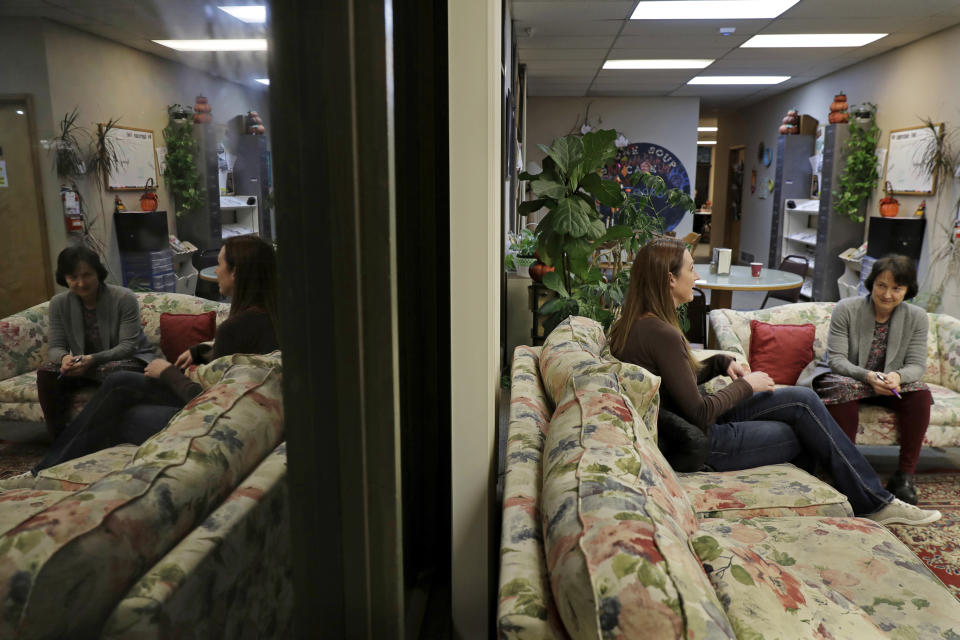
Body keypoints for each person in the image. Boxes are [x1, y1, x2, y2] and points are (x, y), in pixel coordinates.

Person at [607, 237, 939, 526]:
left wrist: (722, 362)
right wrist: (747, 385)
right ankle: (871, 501)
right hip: (700, 441)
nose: (697, 276)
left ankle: (866, 498)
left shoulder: (639, 323)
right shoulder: (662, 333)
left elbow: (676, 382)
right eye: (691, 269)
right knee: (801, 432)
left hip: (686, 426)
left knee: (803, 401)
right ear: (669, 279)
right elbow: (699, 413)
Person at [33, 236, 279, 473]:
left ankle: (48, 467)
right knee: (117, 386)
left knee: (122, 413)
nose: (216, 271)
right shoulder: (272, 317)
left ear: (236, 273)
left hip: (216, 419)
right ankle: (57, 459)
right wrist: (201, 351)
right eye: (73, 277)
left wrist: (167, 372)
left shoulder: (236, 328)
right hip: (245, 408)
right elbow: (237, 362)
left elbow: (207, 400)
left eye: (221, 264)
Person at [800, 255, 931, 505]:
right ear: (872, 284)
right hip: (851, 377)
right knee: (844, 386)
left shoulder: (917, 317)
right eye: (882, 285)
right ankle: (847, 473)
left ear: (907, 290)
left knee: (921, 392)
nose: (887, 294)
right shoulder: (846, 309)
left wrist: (897, 377)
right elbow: (837, 361)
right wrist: (868, 376)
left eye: (897, 288)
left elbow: (916, 365)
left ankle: (904, 476)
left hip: (888, 382)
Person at [37, 246, 157, 439]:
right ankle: (59, 438)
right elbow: (55, 347)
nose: (81, 283)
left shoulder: (124, 298)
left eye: (87, 275)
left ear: (98, 274)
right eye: (73, 277)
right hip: (84, 363)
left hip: (128, 360)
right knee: (47, 372)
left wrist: (92, 359)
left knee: (111, 371)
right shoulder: (59, 303)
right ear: (64, 278)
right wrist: (65, 358)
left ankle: (96, 437)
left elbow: (128, 347)